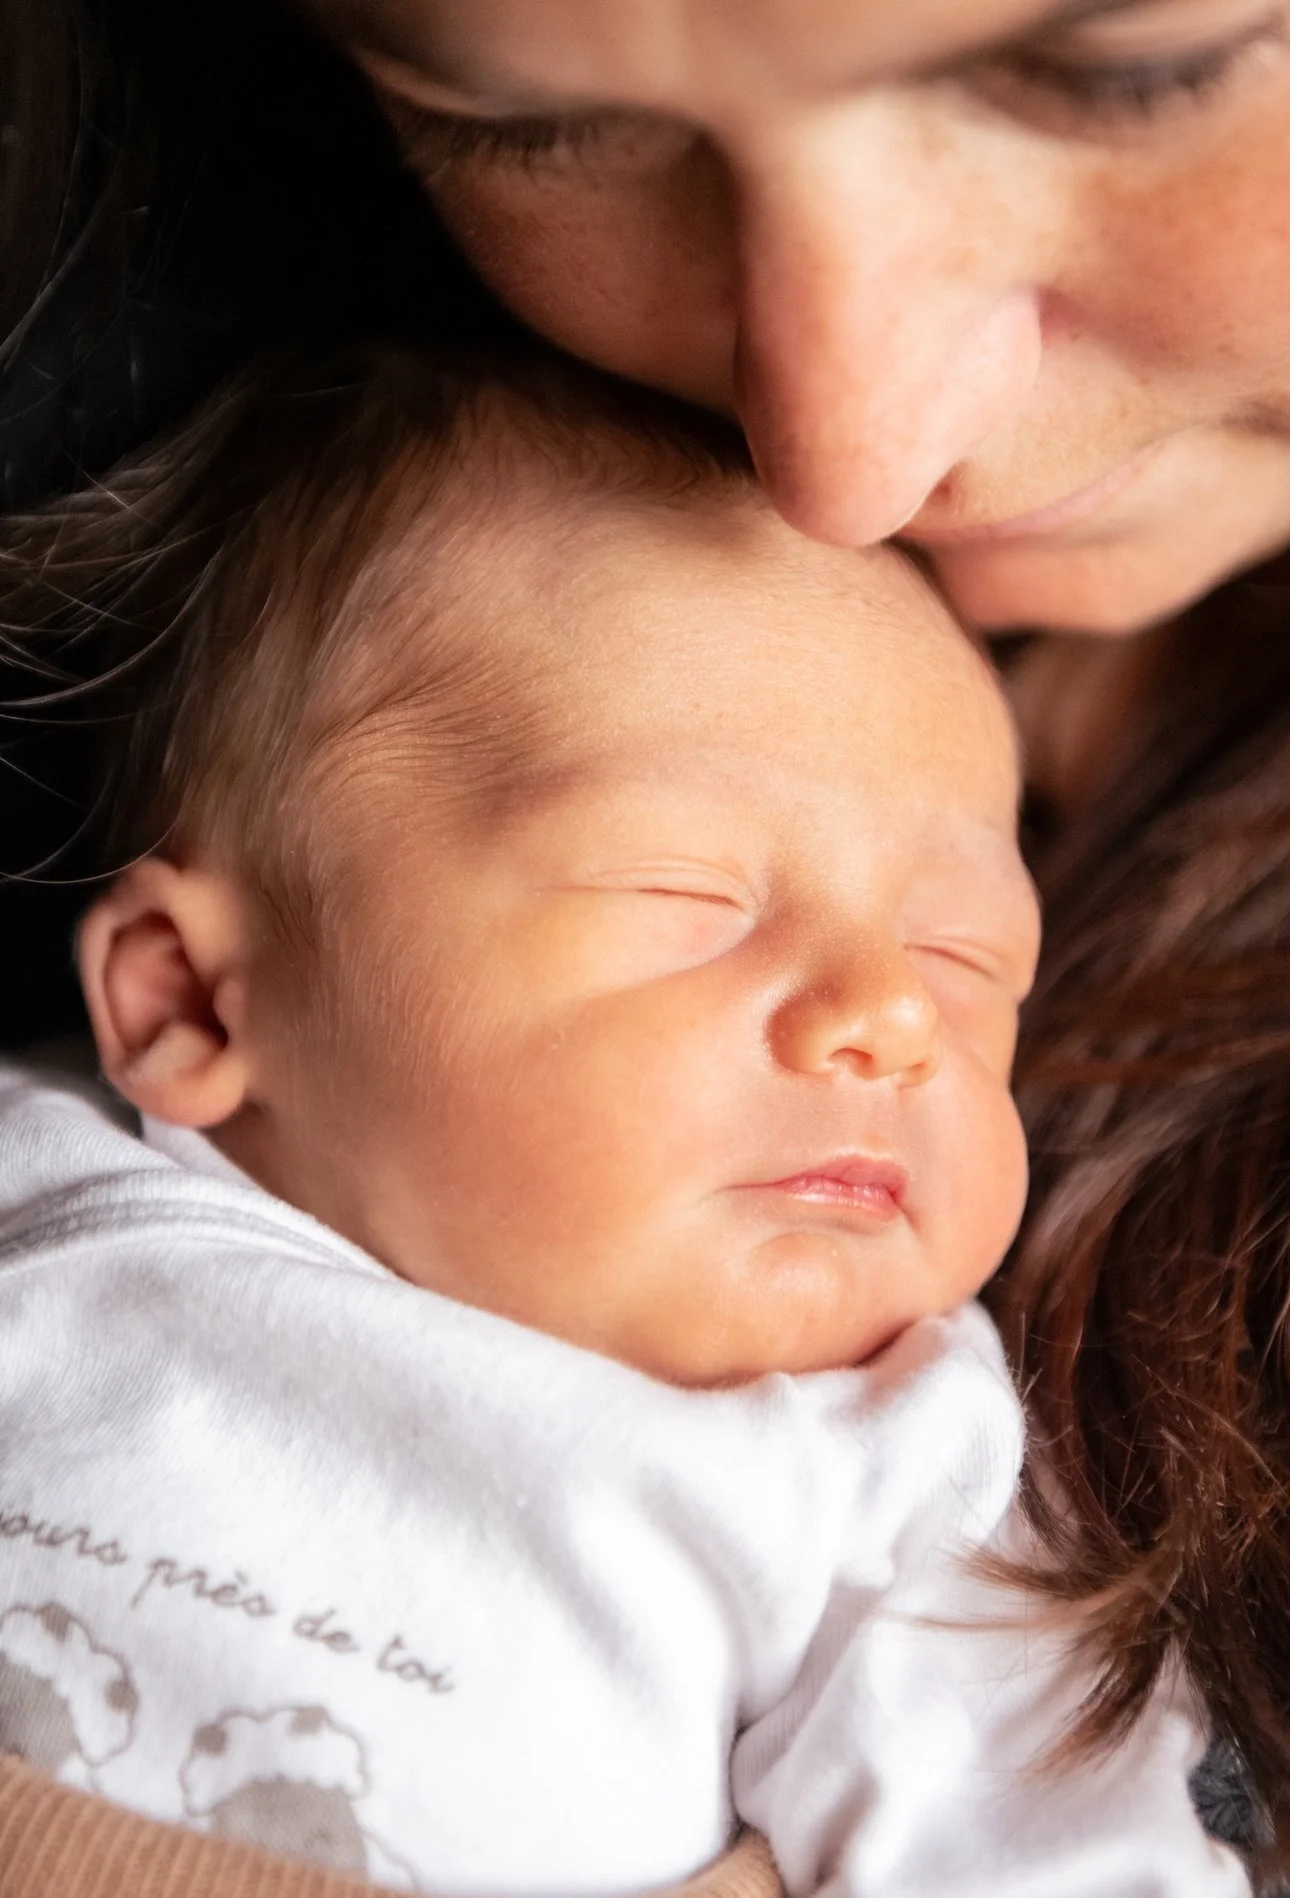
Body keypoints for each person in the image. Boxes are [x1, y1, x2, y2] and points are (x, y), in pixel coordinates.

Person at [3, 0, 1290, 1888]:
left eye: (971, 965)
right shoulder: (55, 1200)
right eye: (525, 125)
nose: (888, 1017)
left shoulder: (886, 1474)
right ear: (191, 1000)